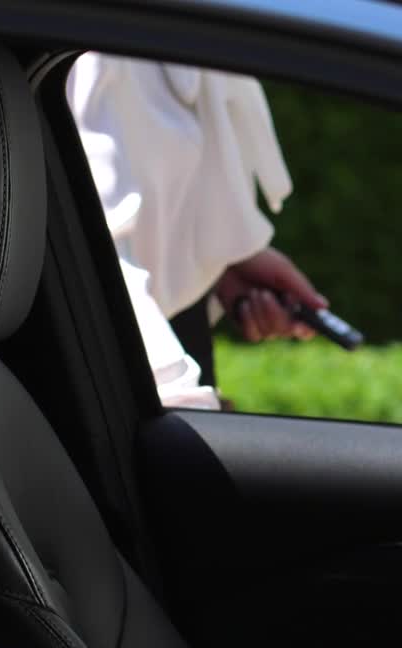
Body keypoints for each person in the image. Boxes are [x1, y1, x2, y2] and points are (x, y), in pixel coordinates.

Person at [67, 53, 324, 410]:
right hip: (128, 352)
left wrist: (226, 259)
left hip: (160, 331)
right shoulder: (95, 53)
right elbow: (89, 247)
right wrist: (184, 406)